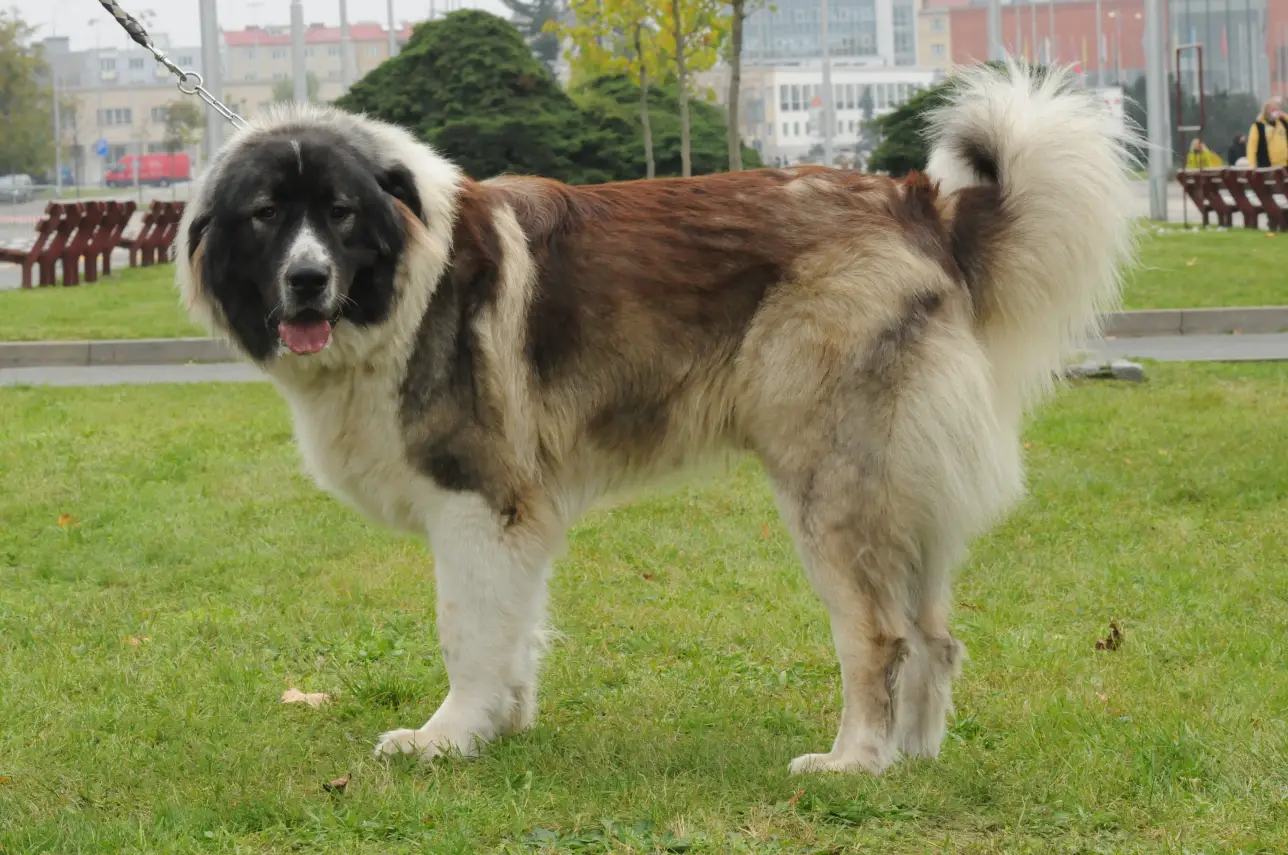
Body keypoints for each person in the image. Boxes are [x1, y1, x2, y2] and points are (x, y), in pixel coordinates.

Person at [1246, 99, 1288, 167]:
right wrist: (1251, 165)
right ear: (1266, 111)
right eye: (1273, 110)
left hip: (1285, 166)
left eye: (1277, 109)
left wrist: (1284, 115)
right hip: (1268, 167)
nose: (1276, 112)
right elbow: (1251, 147)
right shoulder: (1258, 126)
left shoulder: (1282, 123)